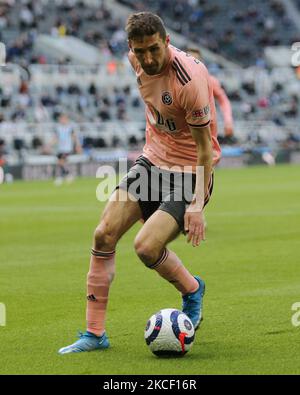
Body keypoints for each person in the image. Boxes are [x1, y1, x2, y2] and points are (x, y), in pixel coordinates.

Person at [58, 12, 221, 354]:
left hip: (190, 171)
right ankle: (94, 334)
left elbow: (205, 150)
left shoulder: (188, 79)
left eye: (154, 49)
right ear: (131, 48)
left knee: (146, 248)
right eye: (140, 50)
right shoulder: (134, 59)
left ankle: (192, 290)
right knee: (103, 233)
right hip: (152, 161)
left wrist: (195, 206)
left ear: (166, 42)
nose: (148, 58)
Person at [186, 47, 236, 144]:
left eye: (195, 61)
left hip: (204, 130)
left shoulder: (210, 81)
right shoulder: (175, 81)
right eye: (188, 61)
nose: (191, 65)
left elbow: (223, 100)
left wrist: (228, 121)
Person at [53, 113, 81, 185]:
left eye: (63, 119)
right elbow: (56, 138)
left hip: (67, 148)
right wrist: (50, 144)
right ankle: (67, 176)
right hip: (60, 148)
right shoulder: (58, 128)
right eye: (61, 119)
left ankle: (62, 177)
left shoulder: (69, 128)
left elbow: (74, 137)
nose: (62, 120)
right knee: (61, 163)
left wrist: (77, 145)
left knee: (61, 162)